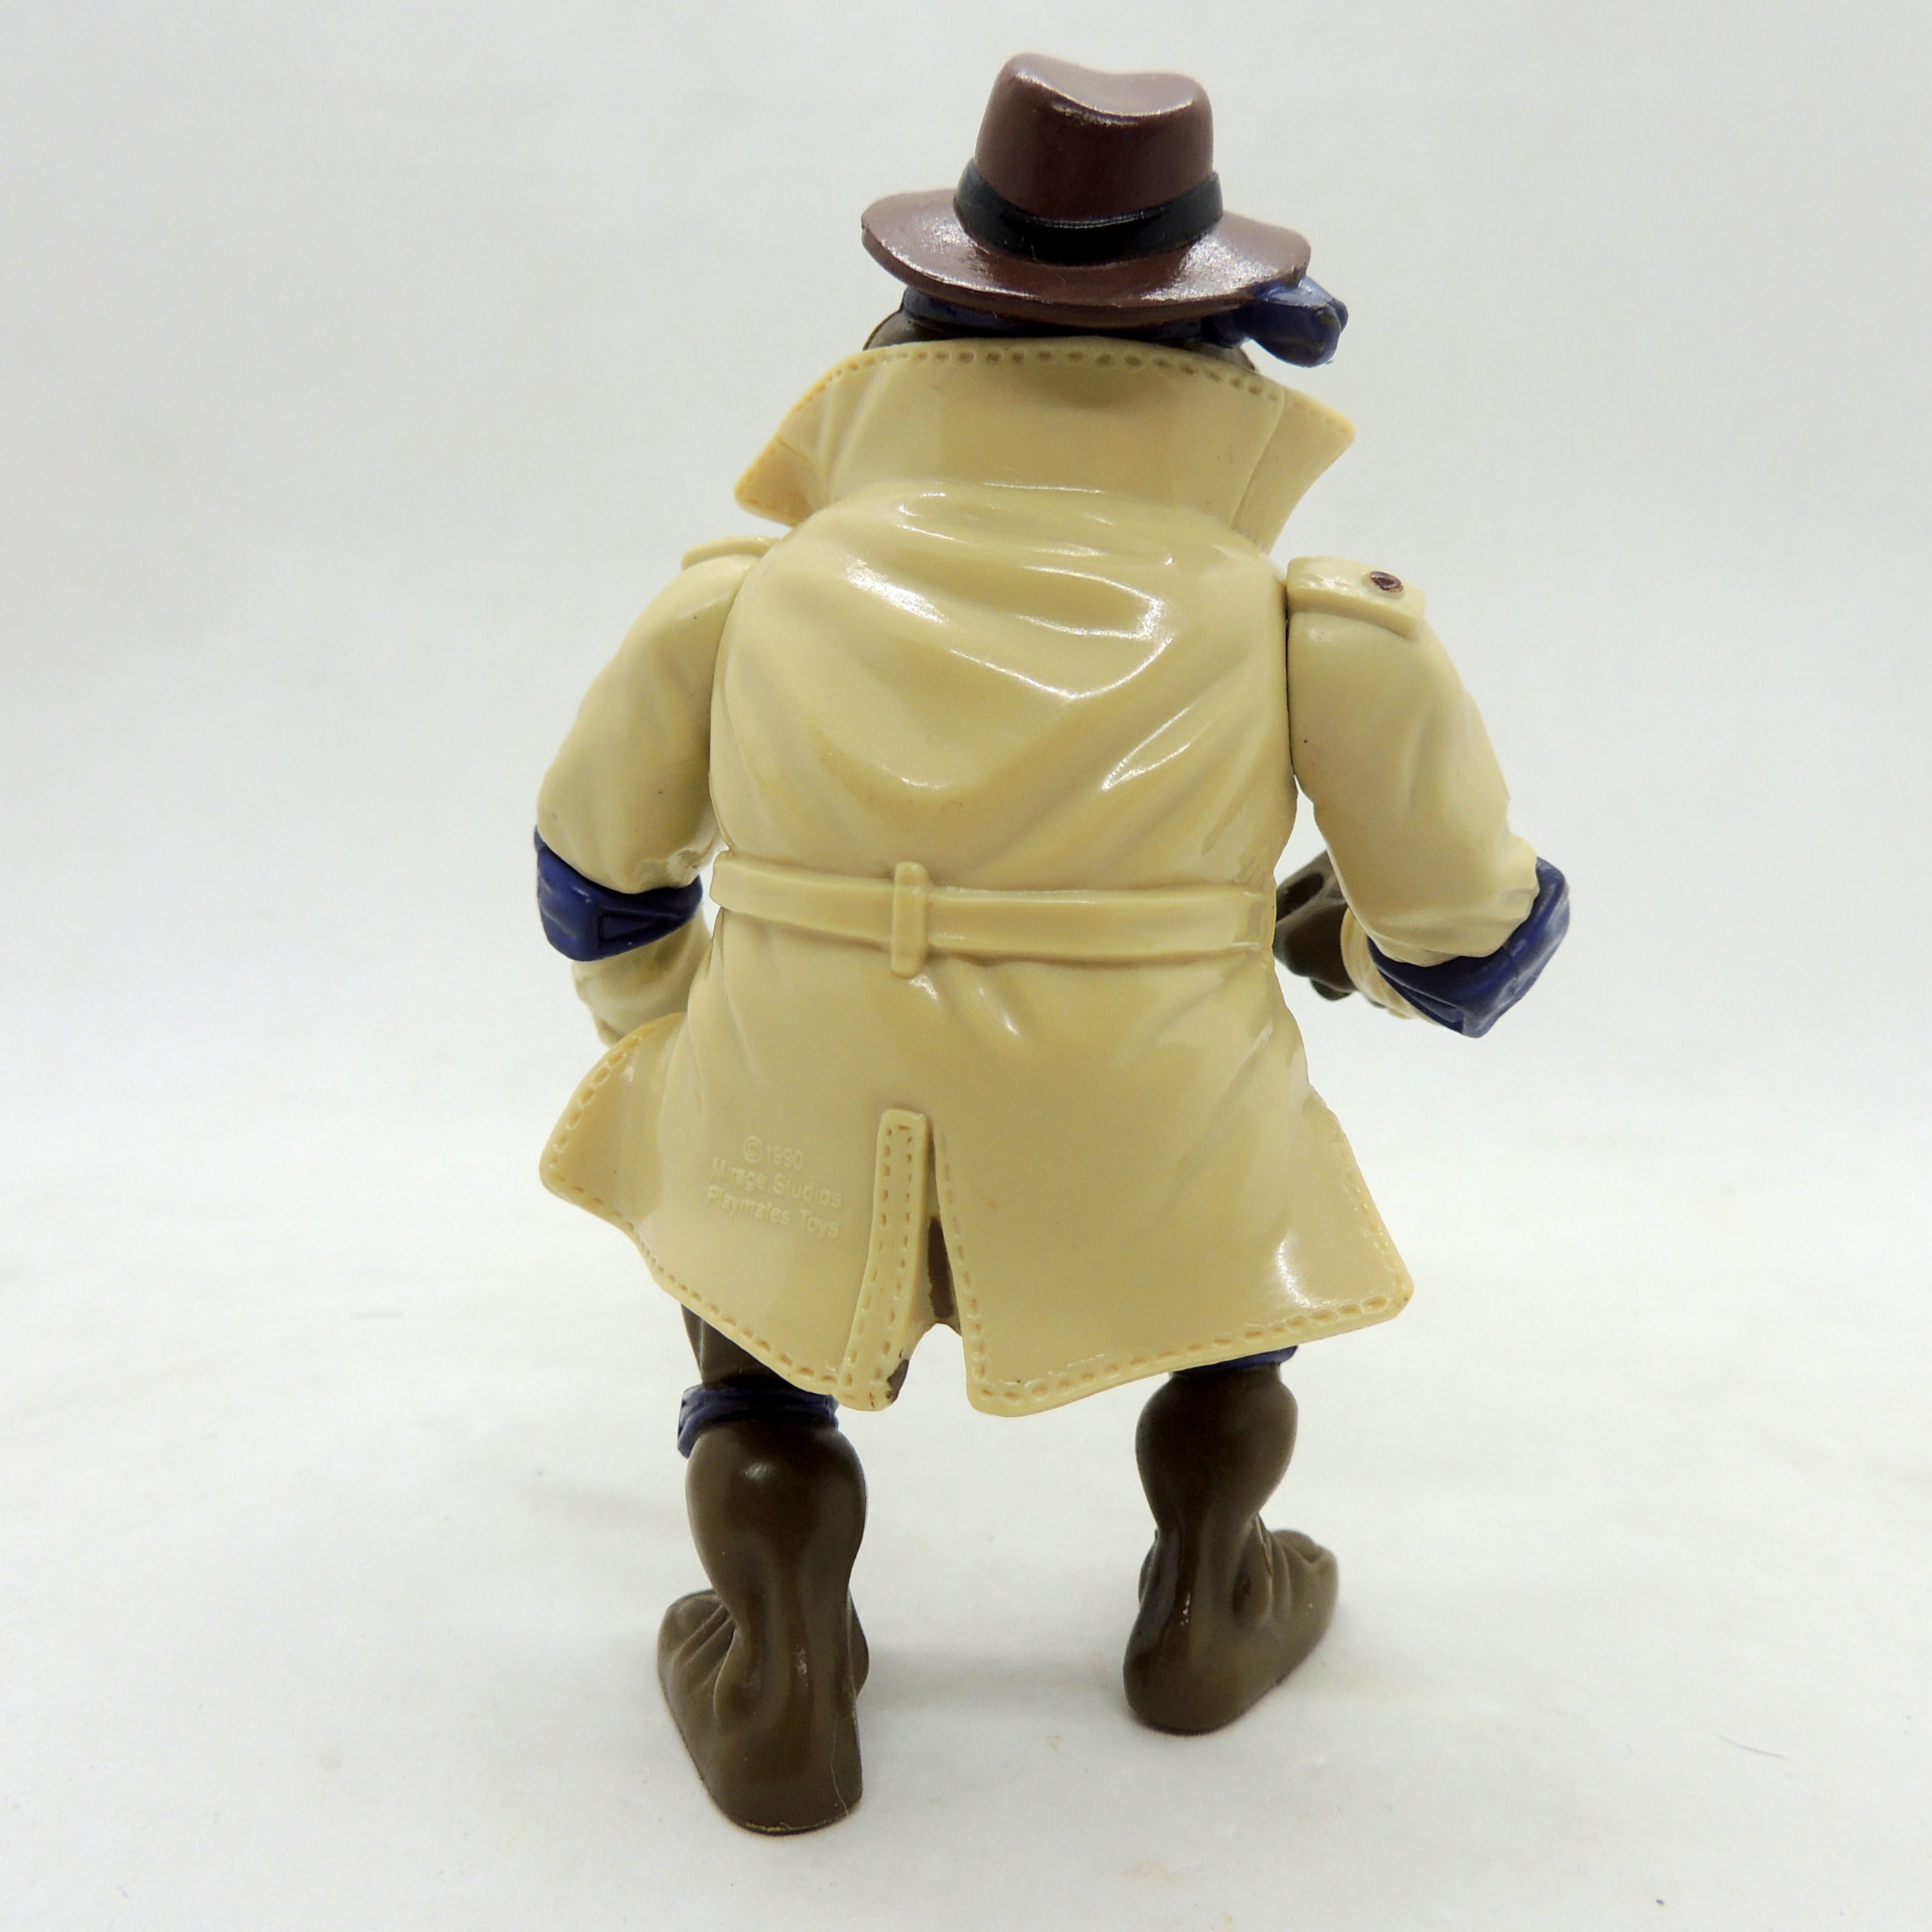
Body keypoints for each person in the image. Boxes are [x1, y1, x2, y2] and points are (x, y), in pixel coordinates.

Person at [534, 53, 1567, 1833]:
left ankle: (778, 1668)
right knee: (1229, 1310)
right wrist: (1349, 953)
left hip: (797, 1081)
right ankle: (1209, 1593)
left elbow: (591, 868)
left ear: (922, 321)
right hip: (1153, 1104)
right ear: (1222, 345)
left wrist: (675, 1023)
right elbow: (1466, 934)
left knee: (751, 1355)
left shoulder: (740, 597)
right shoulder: (1305, 622)